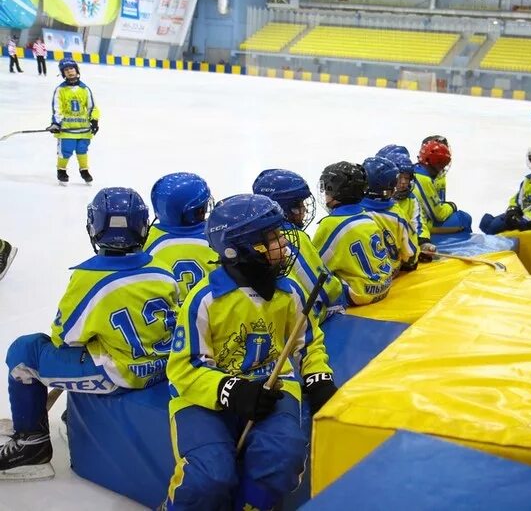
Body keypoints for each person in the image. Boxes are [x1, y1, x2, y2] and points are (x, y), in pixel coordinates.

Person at [165, 194, 336, 510]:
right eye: (270, 239)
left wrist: (317, 377)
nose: (282, 245)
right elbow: (184, 368)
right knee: (209, 477)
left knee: (283, 456)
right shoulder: (204, 300)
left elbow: (307, 342)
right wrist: (232, 391)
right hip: (202, 398)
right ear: (238, 249)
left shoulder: (290, 291)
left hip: (274, 386)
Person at [0, 188, 179, 480]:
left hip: (124, 374)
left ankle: (31, 445)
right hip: (164, 365)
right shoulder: (162, 268)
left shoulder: (89, 278)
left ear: (94, 227)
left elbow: (64, 337)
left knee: (25, 350)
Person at [252, 168, 346, 322]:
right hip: (296, 321)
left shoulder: (253, 236)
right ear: (283, 208)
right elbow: (326, 291)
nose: (304, 209)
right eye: (298, 205)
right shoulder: (293, 238)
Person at [313, 161, 393, 305]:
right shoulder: (368, 216)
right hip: (384, 286)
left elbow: (315, 265)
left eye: (327, 189)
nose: (325, 194)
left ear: (335, 192)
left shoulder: (331, 224)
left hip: (359, 294)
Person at [144, 172, 218, 304]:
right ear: (193, 212)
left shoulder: (147, 239)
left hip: (165, 317)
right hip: (208, 315)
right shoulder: (217, 237)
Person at [377, 144, 436, 261]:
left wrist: (423, 242)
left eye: (407, 178)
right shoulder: (376, 199)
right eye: (399, 177)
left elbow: (418, 224)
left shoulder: (411, 199)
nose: (404, 182)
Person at [46, 58, 100, 185]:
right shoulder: (60, 90)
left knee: (82, 149)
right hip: (67, 128)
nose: (69, 72)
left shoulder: (84, 89)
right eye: (66, 70)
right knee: (66, 149)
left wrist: (94, 120)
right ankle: (61, 170)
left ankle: (84, 170)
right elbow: (57, 108)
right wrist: (56, 123)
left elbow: (92, 106)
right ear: (63, 73)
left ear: (76, 70)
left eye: (71, 68)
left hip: (83, 127)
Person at [361, 156, 418, 273]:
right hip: (390, 273)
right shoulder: (397, 213)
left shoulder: (353, 214)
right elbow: (410, 256)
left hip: (362, 277)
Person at [412, 139, 472, 234]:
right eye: (442, 165)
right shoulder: (424, 179)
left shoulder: (415, 170)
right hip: (421, 226)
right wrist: (452, 206)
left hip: (414, 221)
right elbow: (439, 215)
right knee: (464, 218)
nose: (442, 169)